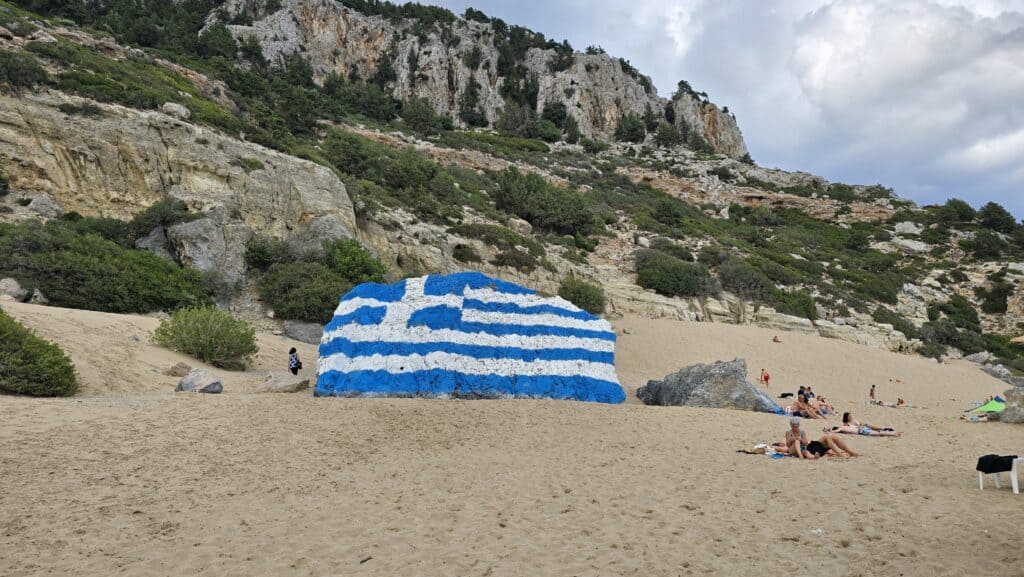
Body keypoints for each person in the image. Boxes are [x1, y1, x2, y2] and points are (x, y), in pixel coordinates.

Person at [827, 412, 901, 437]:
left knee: (878, 434)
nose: (851, 417)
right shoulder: (844, 426)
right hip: (860, 430)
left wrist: (830, 430)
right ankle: (893, 433)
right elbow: (836, 431)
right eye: (850, 416)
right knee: (878, 433)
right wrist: (830, 430)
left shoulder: (844, 427)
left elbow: (836, 431)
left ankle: (893, 433)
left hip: (860, 430)